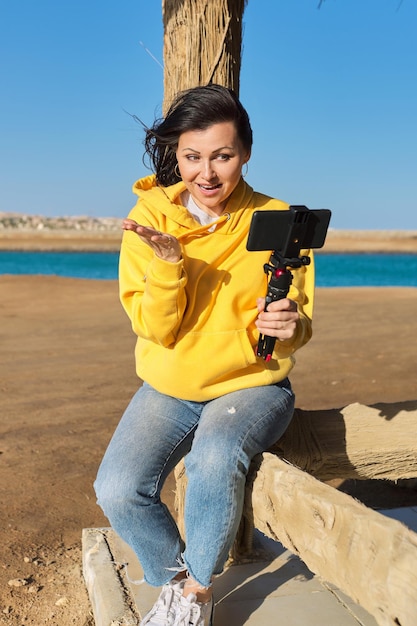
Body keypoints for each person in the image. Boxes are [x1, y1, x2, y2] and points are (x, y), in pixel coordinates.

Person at [94, 84, 315, 626]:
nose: (207, 173)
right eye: (192, 157)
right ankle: (172, 577)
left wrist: (288, 325)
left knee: (214, 459)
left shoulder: (279, 218)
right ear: (176, 155)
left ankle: (196, 593)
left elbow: (300, 321)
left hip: (253, 385)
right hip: (170, 384)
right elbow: (155, 328)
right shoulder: (150, 218)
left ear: (246, 152)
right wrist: (169, 262)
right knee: (118, 490)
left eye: (223, 155)